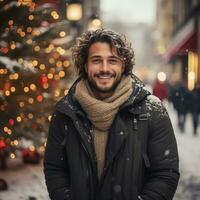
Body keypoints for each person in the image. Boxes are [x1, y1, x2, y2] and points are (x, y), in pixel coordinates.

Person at [44, 29, 179, 200]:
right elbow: (55, 169)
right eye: (96, 60)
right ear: (85, 65)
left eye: (112, 61)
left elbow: (165, 173)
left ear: (123, 66)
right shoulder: (65, 112)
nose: (105, 68)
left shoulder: (152, 112)